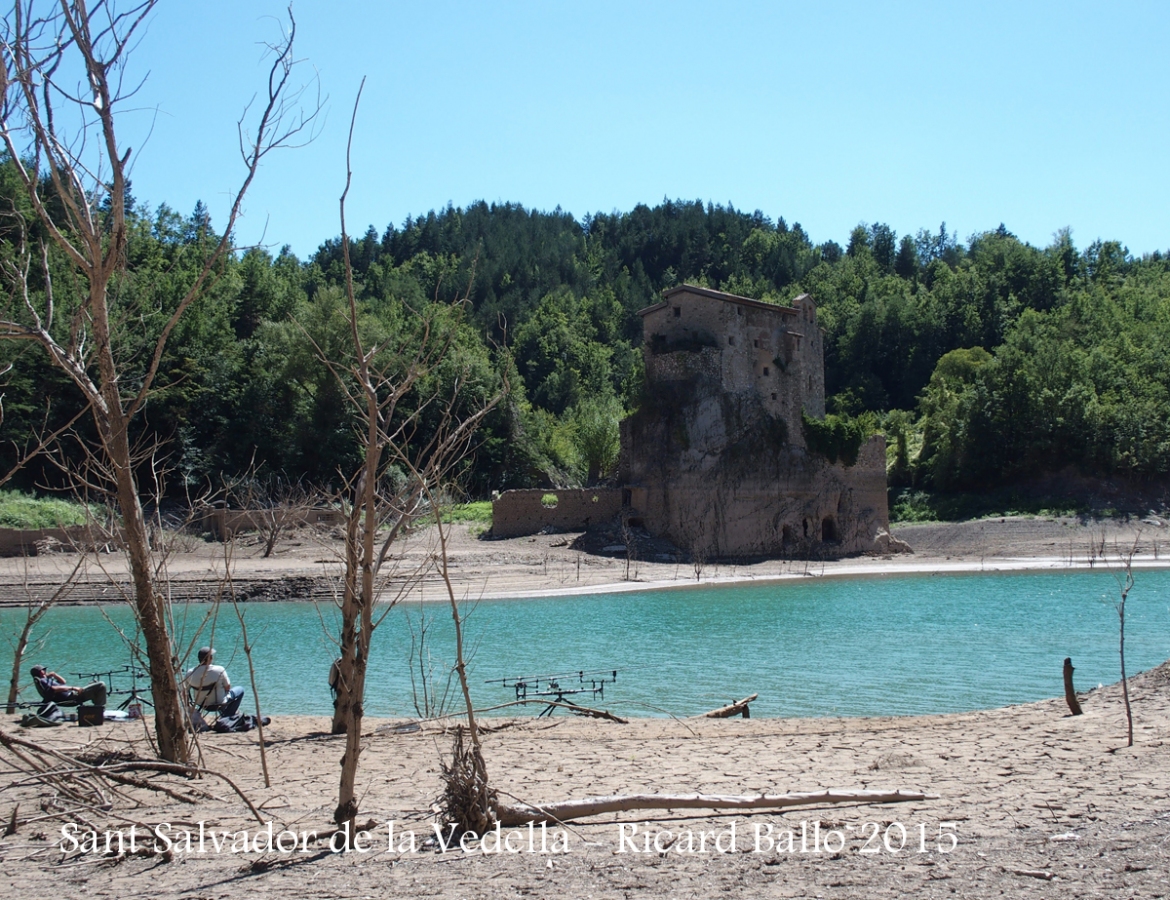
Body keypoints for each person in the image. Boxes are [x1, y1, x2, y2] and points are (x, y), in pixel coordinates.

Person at [182, 647, 244, 717]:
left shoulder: (190, 673)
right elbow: (228, 687)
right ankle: (228, 715)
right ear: (210, 658)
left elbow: (184, 692)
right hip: (219, 703)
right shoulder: (219, 670)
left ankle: (226, 715)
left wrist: (188, 706)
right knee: (240, 689)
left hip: (201, 704)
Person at [30, 665, 107, 707]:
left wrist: (55, 675)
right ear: (41, 672)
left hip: (73, 694)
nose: (46, 671)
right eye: (44, 670)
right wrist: (73, 688)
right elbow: (54, 689)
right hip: (72, 697)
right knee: (101, 685)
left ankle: (98, 708)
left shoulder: (47, 680)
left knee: (94, 683)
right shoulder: (43, 680)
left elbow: (63, 682)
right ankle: (99, 709)